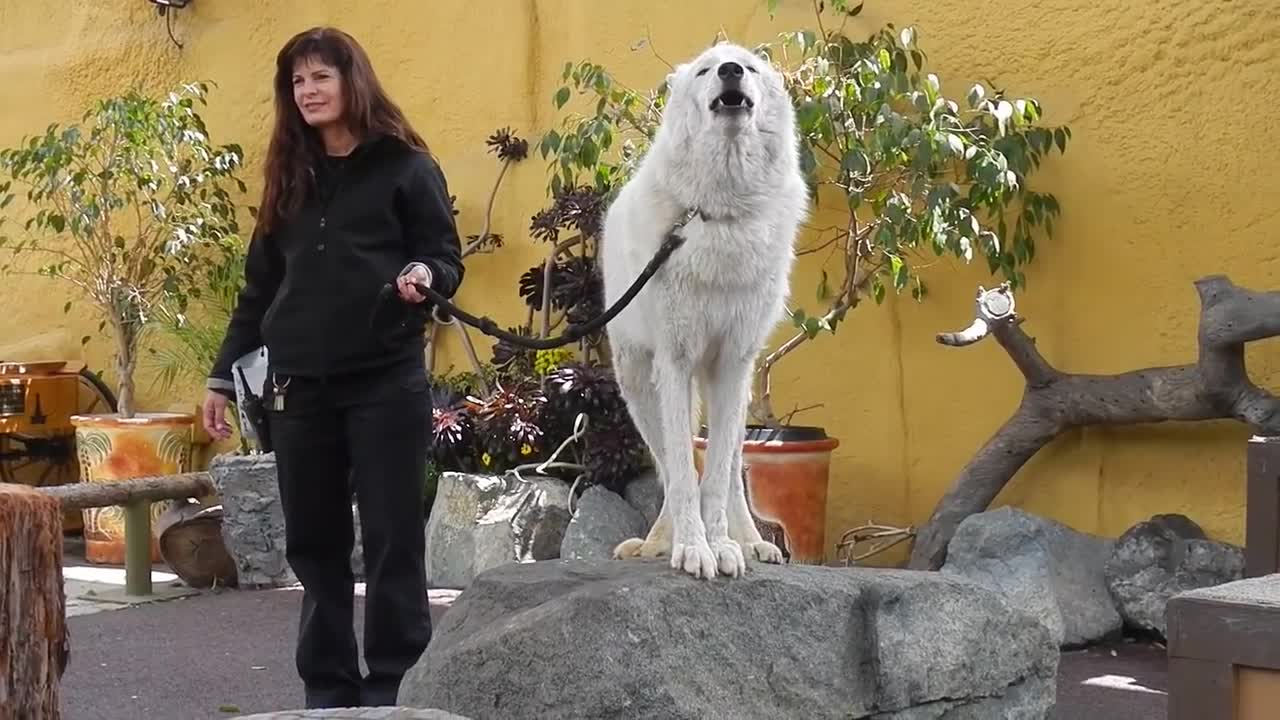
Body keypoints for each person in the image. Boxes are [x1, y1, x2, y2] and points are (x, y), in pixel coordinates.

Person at [201, 26, 464, 709]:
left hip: (384, 378)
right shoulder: (289, 174)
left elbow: (444, 256)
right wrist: (221, 376)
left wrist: (422, 272)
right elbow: (259, 289)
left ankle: (394, 686)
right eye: (298, 81)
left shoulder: (406, 166)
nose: (309, 91)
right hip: (298, 388)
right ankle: (328, 688)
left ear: (353, 81)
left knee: (391, 537)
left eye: (321, 76)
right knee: (314, 547)